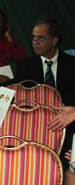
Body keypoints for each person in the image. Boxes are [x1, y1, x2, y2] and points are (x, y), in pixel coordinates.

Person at [15, 18, 74, 161]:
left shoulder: (72, 65)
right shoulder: (24, 67)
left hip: (69, 126)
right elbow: (12, 96)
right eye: (33, 37)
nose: (34, 42)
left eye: (40, 38)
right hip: (35, 128)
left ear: (54, 41)